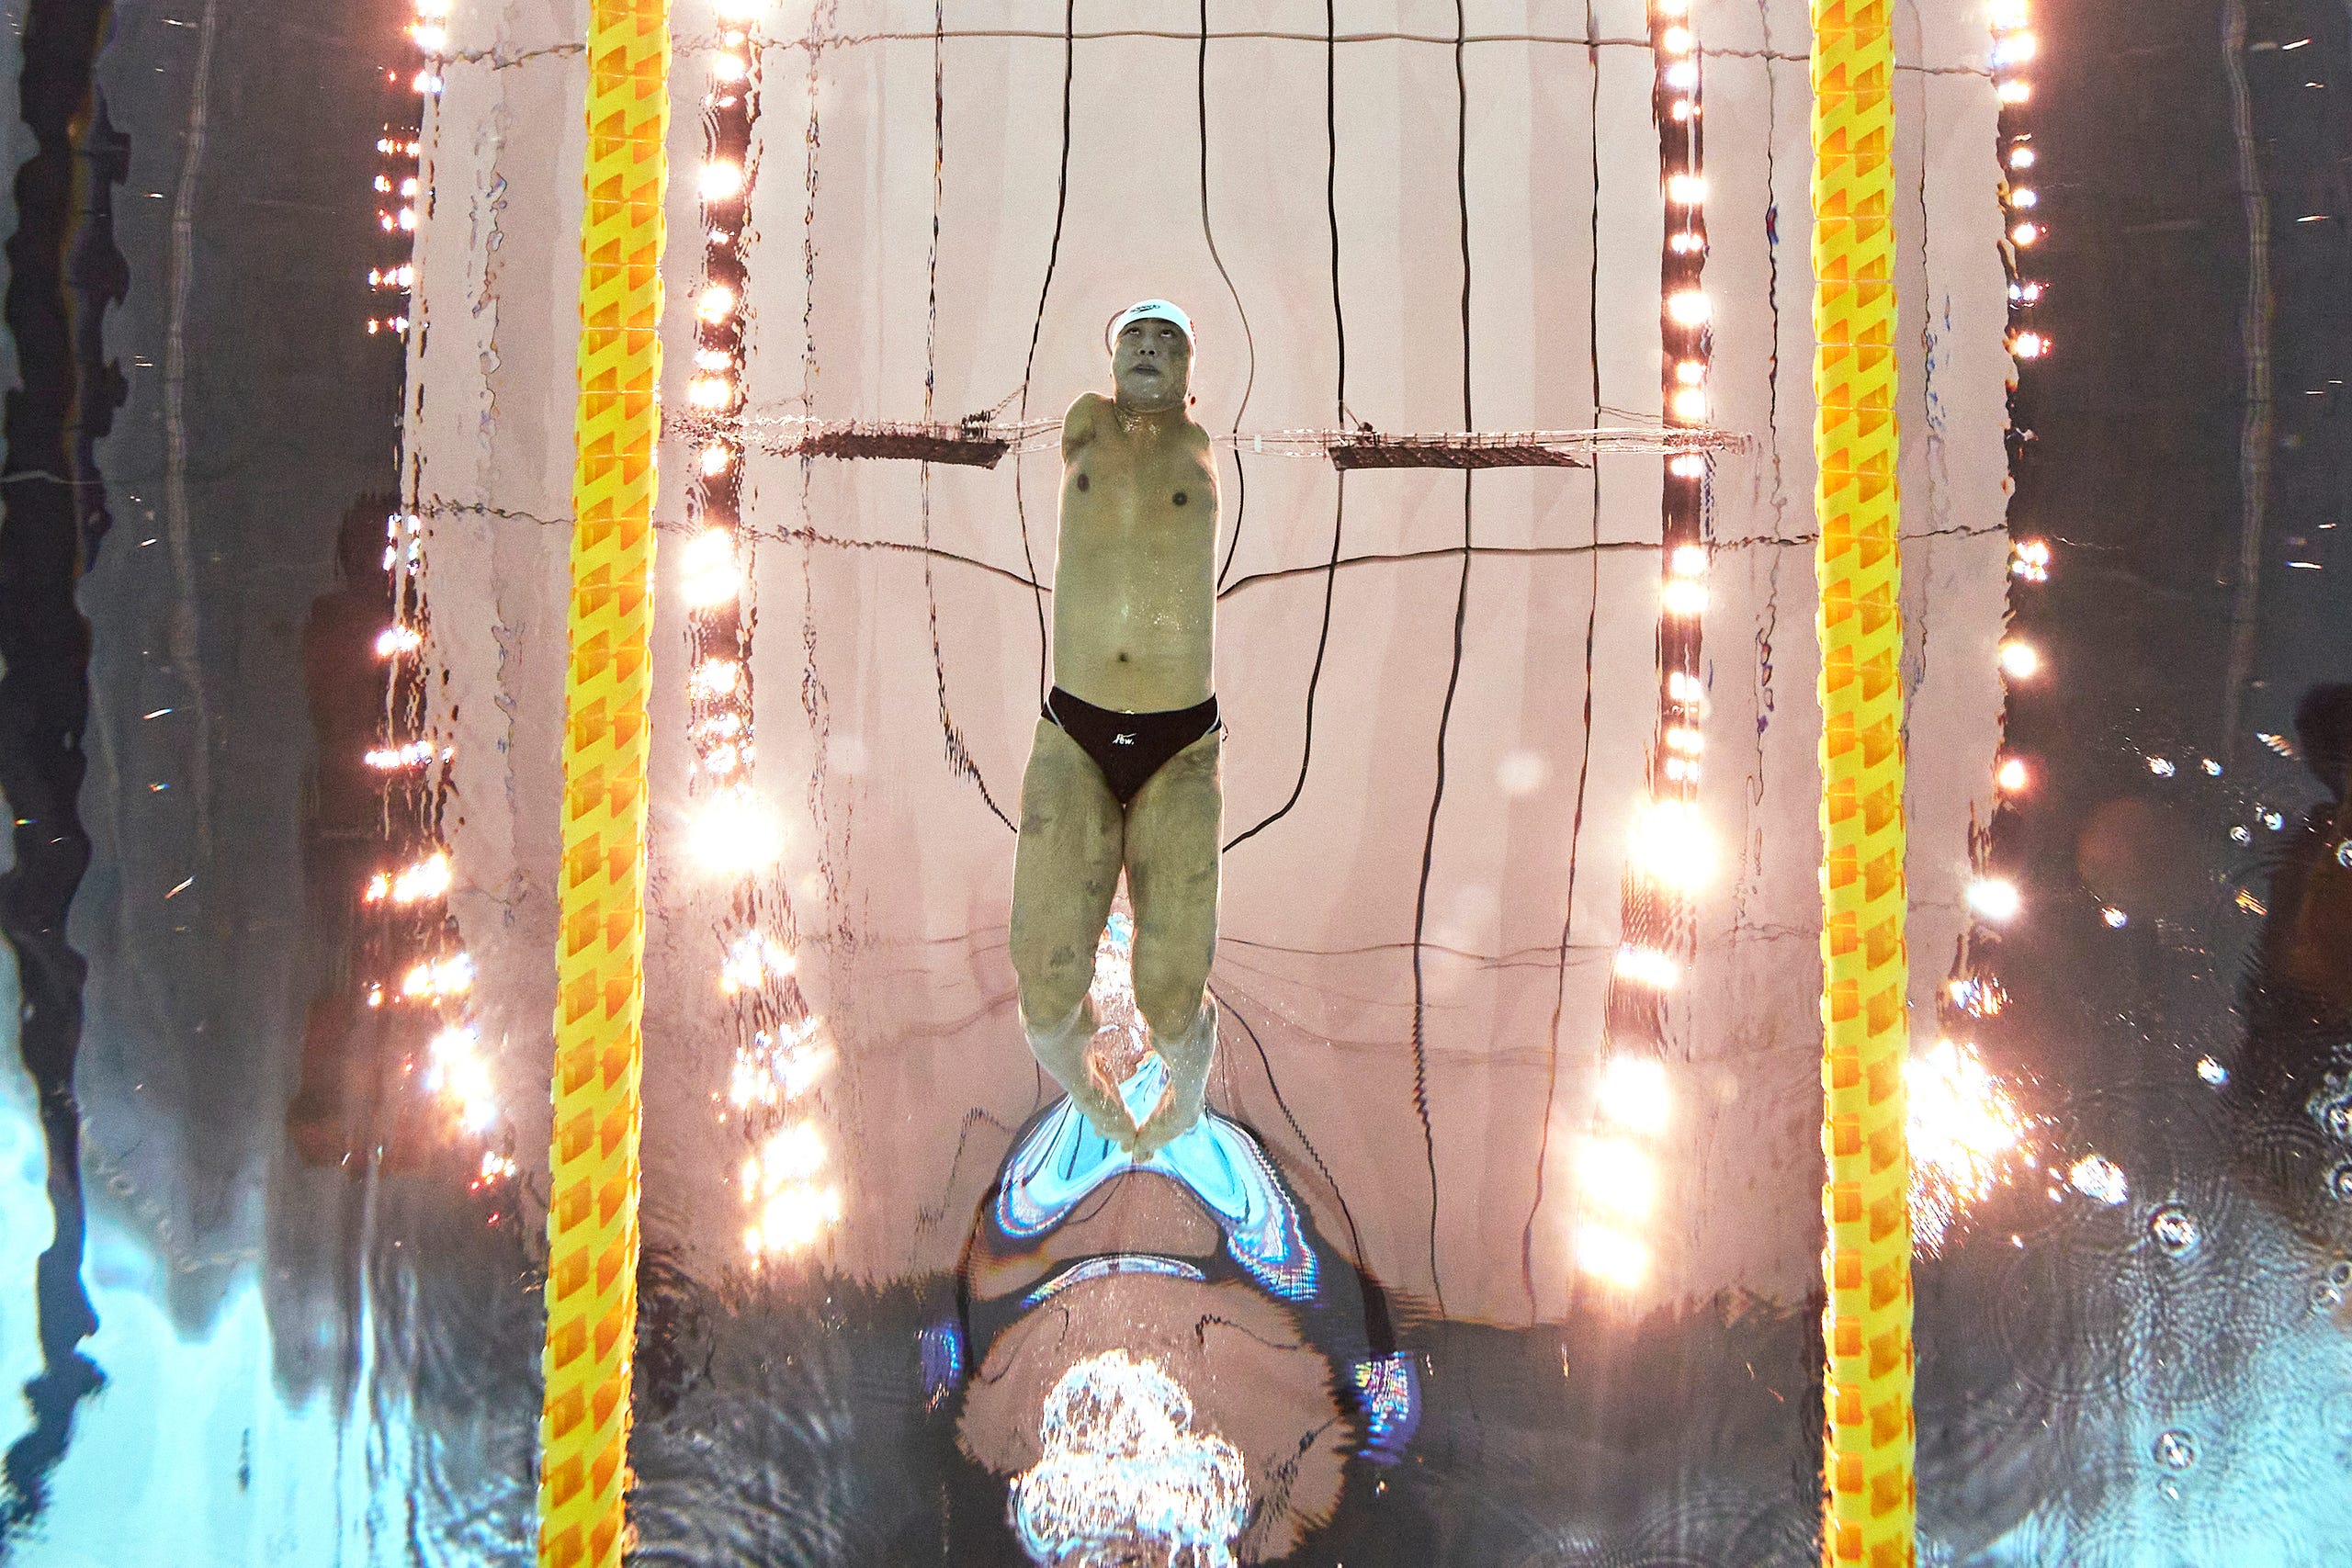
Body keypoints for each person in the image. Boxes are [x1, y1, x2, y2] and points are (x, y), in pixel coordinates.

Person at [1009, 299, 1223, 1156]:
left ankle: (1190, 1091)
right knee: (1044, 990)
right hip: (1075, 732)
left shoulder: (1199, 449)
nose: (1147, 347)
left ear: (1187, 377)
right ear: (1110, 363)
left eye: (1168, 339)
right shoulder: (1083, 428)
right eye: (1134, 336)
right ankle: (1092, 1100)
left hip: (1180, 747)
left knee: (1171, 1000)